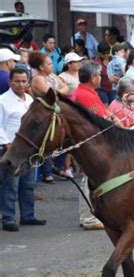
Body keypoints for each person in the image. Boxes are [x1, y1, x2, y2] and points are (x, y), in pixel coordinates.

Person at [0, 68, 46, 232]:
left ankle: (28, 215)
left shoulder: (29, 99)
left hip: (29, 148)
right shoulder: (3, 101)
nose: (20, 84)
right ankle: (8, 217)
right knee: (10, 184)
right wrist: (6, 145)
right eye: (17, 81)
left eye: (23, 81)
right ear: (9, 82)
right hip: (11, 148)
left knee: (28, 183)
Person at [70, 61, 108, 231]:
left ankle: (89, 215)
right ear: (93, 78)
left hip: (88, 142)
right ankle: (88, 218)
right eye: (99, 75)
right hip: (90, 143)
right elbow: (100, 120)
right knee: (89, 180)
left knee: (90, 179)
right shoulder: (85, 95)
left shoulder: (85, 92)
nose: (100, 78)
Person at [29, 51, 69, 183]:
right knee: (46, 140)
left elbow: (66, 88)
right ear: (41, 67)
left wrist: (59, 93)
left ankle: (53, 168)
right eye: (49, 63)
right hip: (45, 113)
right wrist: (59, 93)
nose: (52, 65)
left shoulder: (52, 76)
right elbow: (52, 94)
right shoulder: (38, 79)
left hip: (57, 110)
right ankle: (47, 171)